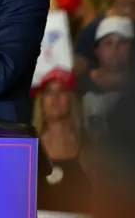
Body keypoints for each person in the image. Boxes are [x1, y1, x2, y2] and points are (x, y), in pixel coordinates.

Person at [33, 68, 92, 214]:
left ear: (71, 99)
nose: (55, 97)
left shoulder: (87, 147)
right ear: (41, 101)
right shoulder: (29, 148)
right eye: (48, 92)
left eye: (62, 90)